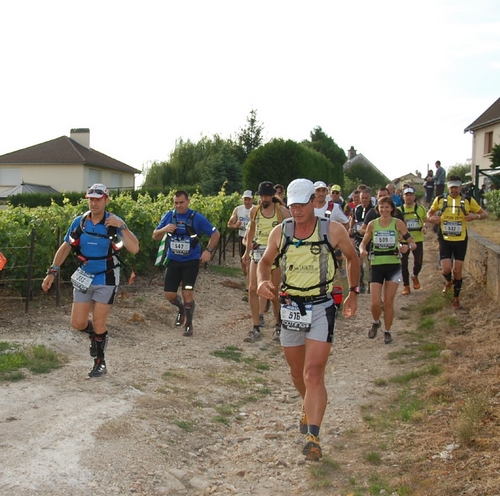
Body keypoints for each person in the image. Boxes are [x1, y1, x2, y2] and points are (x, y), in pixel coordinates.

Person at [256, 178, 359, 461]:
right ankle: (307, 403)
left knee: (313, 373)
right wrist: (263, 281)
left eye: (303, 205)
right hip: (290, 307)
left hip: (322, 305)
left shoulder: (332, 230)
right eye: (293, 206)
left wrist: (354, 292)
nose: (298, 211)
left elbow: (353, 257)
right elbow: (264, 262)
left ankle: (313, 436)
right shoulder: (282, 231)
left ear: (315, 201)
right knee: (296, 371)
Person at [41, 184, 140, 378]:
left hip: (107, 277)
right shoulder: (80, 222)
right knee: (77, 323)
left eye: (98, 199)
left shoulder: (114, 223)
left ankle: (100, 362)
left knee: (99, 320)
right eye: (91, 199)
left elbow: (135, 248)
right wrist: (52, 272)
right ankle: (96, 337)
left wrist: (123, 226)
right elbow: (66, 247)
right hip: (84, 276)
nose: (94, 203)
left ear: (106, 200)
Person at [153, 190, 220, 337]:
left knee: (187, 292)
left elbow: (215, 234)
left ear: (188, 201)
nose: (178, 206)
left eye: (181, 202)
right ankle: (181, 309)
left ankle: (189, 324)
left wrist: (208, 251)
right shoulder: (169, 216)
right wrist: (164, 229)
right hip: (173, 261)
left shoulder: (197, 218)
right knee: (169, 294)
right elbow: (155, 235)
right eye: (176, 203)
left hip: (191, 261)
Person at [359, 196, 417, 345]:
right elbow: (363, 243)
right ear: (378, 209)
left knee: (389, 302)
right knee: (375, 303)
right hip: (377, 265)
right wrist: (362, 251)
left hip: (393, 266)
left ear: (392, 208)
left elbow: (413, 243)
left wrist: (407, 247)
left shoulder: (398, 223)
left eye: (387, 207)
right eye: (381, 207)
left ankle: (387, 331)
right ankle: (376, 321)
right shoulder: (372, 224)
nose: (384, 210)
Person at [427, 176, 488, 309]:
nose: (454, 190)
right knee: (446, 269)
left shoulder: (467, 200)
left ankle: (456, 298)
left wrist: (475, 216)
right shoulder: (440, 199)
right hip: (445, 239)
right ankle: (449, 282)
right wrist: (432, 219)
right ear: (448, 187)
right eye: (451, 187)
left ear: (461, 187)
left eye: (456, 187)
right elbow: (429, 213)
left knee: (457, 270)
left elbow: (484, 215)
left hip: (461, 240)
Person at [243, 181, 291, 343]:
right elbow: (251, 231)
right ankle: (256, 327)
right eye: (261, 195)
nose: (263, 198)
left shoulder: (282, 212)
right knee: (252, 289)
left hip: (274, 254)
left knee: (274, 292)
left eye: (266, 195)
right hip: (257, 253)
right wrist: (246, 251)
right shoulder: (255, 212)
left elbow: (291, 231)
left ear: (272, 196)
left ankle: (278, 324)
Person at [313, 181, 349, 278]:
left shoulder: (334, 207)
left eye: (323, 191)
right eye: (318, 191)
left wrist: (338, 241)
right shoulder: (307, 207)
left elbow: (346, 223)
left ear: (327, 192)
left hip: (328, 248)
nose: (321, 193)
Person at [398, 187, 427, 295]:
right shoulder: (399, 210)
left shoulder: (421, 209)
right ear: (403, 197)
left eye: (411, 195)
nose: (409, 197)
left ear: (414, 197)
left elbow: (425, 220)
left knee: (418, 262)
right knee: (403, 263)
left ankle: (415, 275)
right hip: (404, 240)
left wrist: (424, 227)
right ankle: (406, 286)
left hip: (417, 239)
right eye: (407, 195)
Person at [227, 190, 254, 301]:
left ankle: (248, 290)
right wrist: (236, 226)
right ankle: (248, 277)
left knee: (249, 263)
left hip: (253, 240)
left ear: (252, 199)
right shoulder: (238, 209)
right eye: (245, 199)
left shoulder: (256, 209)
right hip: (242, 237)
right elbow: (229, 224)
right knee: (244, 264)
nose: (247, 201)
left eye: (249, 199)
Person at [350, 190, 375, 293]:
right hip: (358, 239)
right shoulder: (356, 209)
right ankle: (360, 283)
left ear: (370, 198)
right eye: (362, 198)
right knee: (358, 262)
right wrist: (351, 228)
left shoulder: (374, 210)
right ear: (360, 199)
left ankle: (371, 284)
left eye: (366, 198)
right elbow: (353, 218)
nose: (364, 200)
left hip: (371, 240)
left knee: (371, 263)